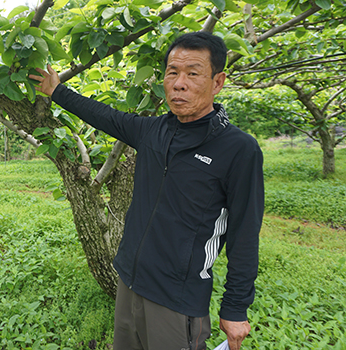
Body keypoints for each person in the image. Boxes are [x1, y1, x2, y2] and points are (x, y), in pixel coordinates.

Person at [29, 31, 264, 350]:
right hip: (129, 280)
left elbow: (245, 234)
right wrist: (57, 91)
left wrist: (235, 308)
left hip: (176, 298)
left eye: (193, 74)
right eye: (172, 72)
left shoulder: (238, 150)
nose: (179, 83)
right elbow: (104, 116)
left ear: (218, 82)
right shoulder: (153, 131)